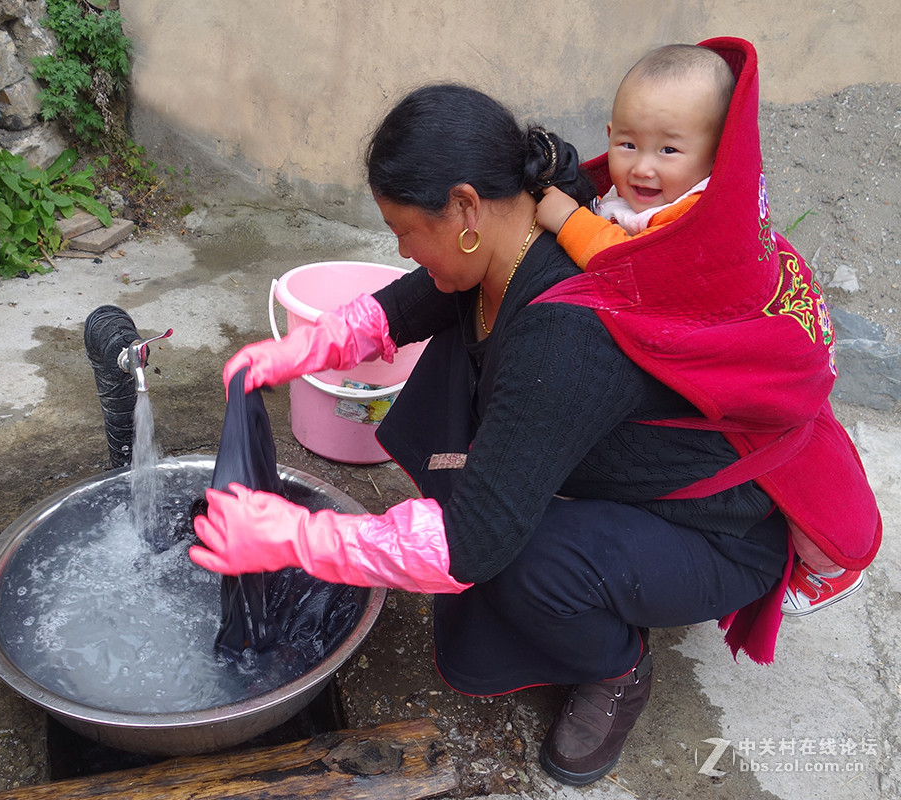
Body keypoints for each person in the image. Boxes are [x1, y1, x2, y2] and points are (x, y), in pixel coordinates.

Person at [191, 38, 879, 787]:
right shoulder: (541, 223)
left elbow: (468, 548)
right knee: (461, 356)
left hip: (724, 532)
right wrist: (307, 348)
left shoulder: (569, 336)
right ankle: (590, 545)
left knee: (516, 561)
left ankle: (618, 669)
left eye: (403, 231)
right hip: (627, 475)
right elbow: (423, 294)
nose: (401, 249)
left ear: (464, 208)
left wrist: (296, 536)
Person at [534, 43, 863, 616]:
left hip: (755, 357)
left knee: (796, 478)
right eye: (627, 143)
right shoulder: (637, 193)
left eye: (668, 149)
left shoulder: (699, 216)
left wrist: (565, 217)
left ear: (716, 158)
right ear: (609, 133)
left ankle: (823, 561)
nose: (642, 166)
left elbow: (631, 262)